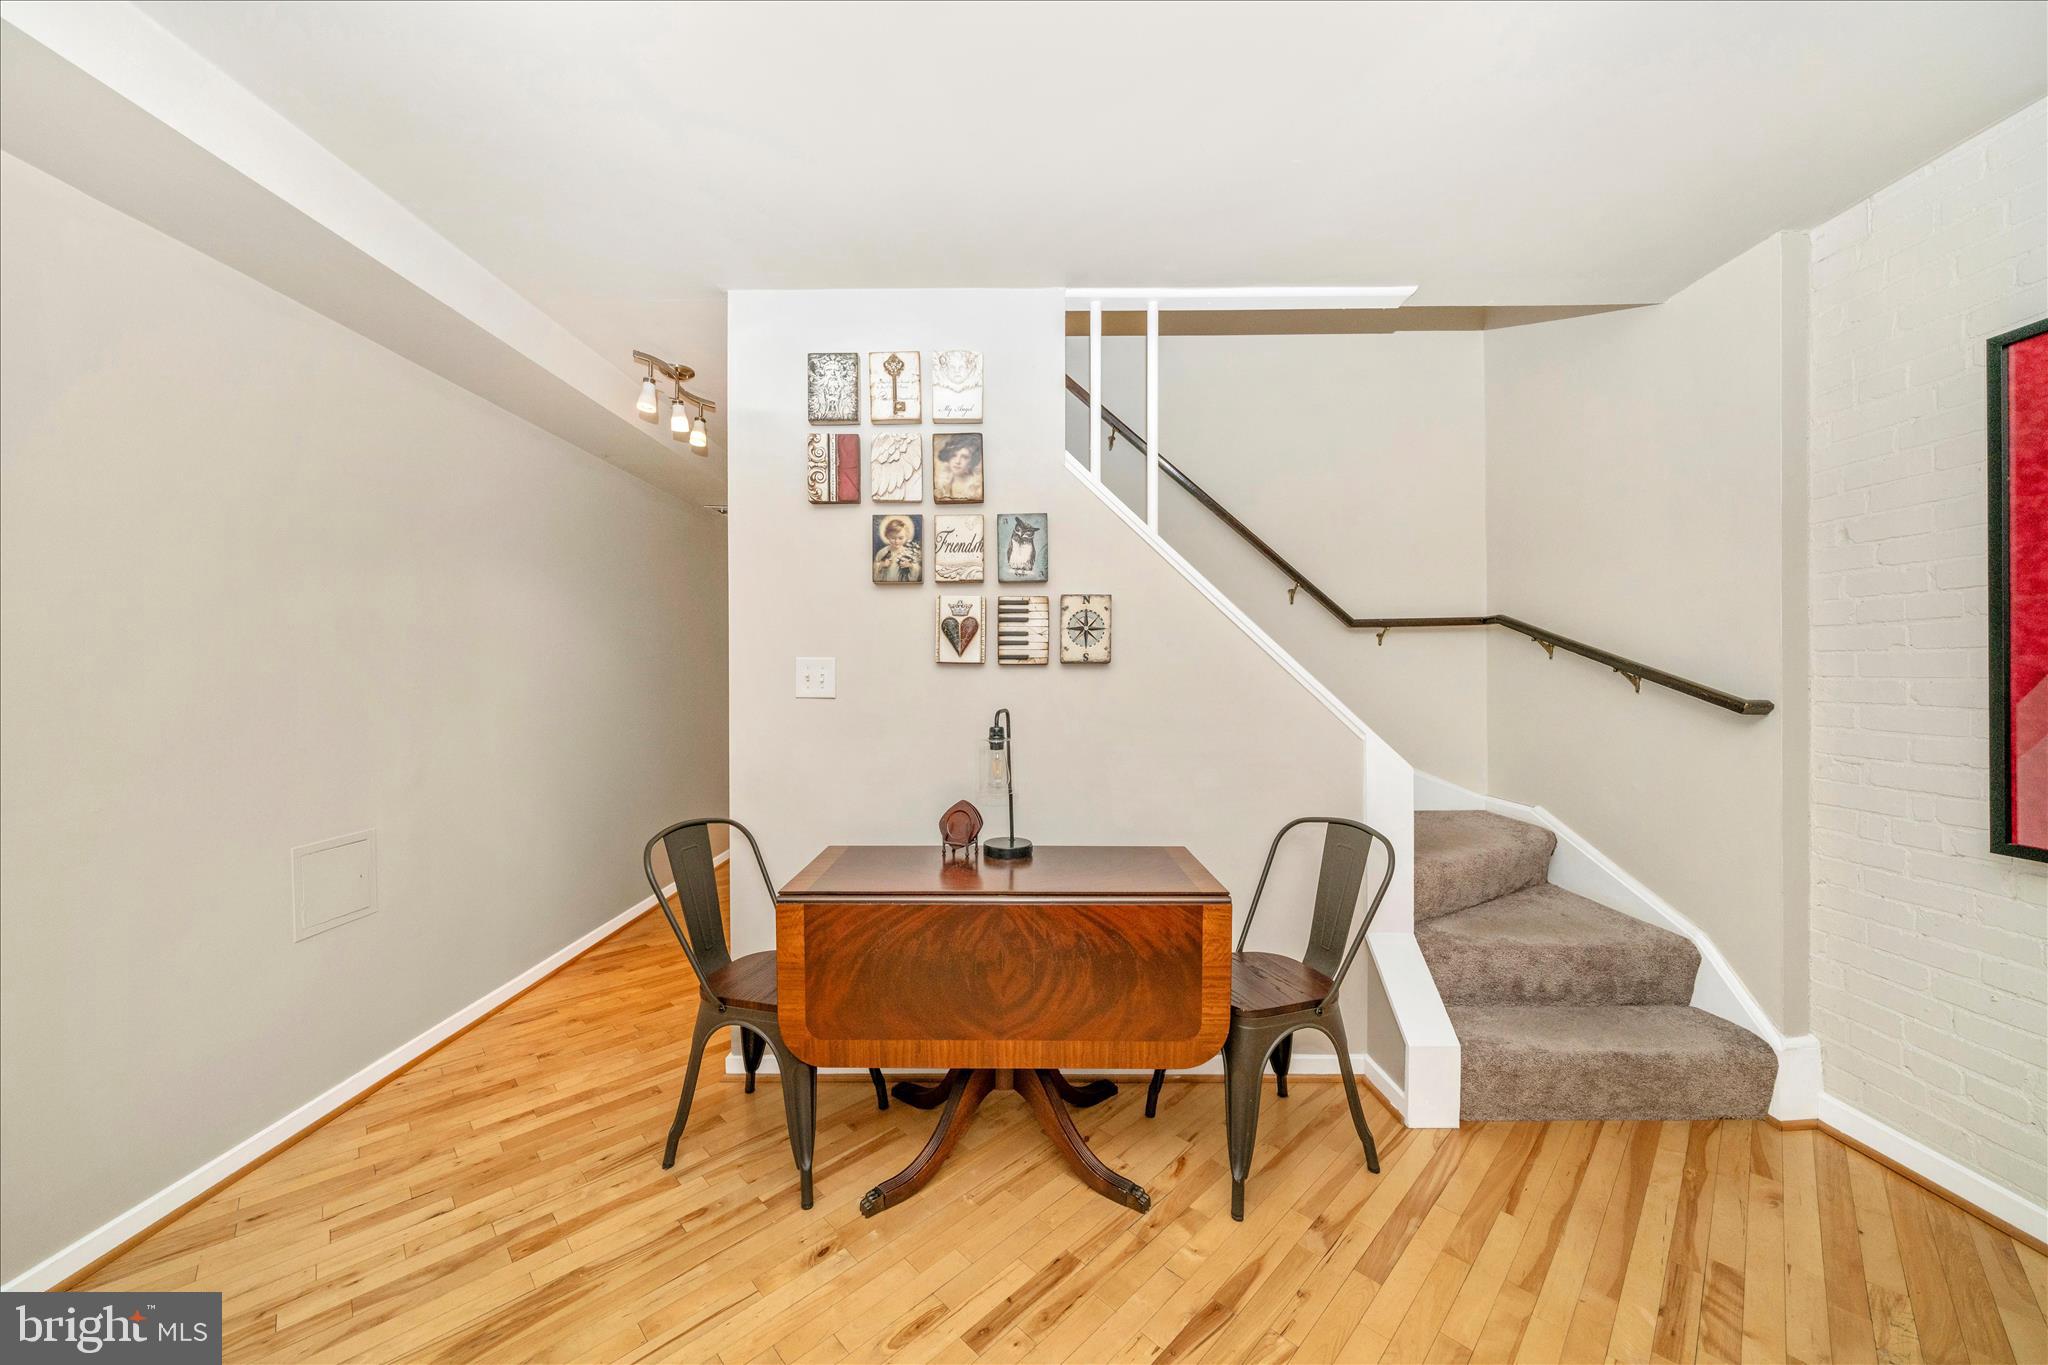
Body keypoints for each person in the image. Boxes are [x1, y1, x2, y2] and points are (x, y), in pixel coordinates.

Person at [873, 515, 922, 582]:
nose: (897, 541)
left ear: (906, 537)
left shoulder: (908, 552)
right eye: (893, 538)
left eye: (900, 538)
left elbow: (918, 569)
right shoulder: (882, 552)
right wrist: (882, 564)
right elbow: (874, 569)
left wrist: (910, 565)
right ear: (887, 536)